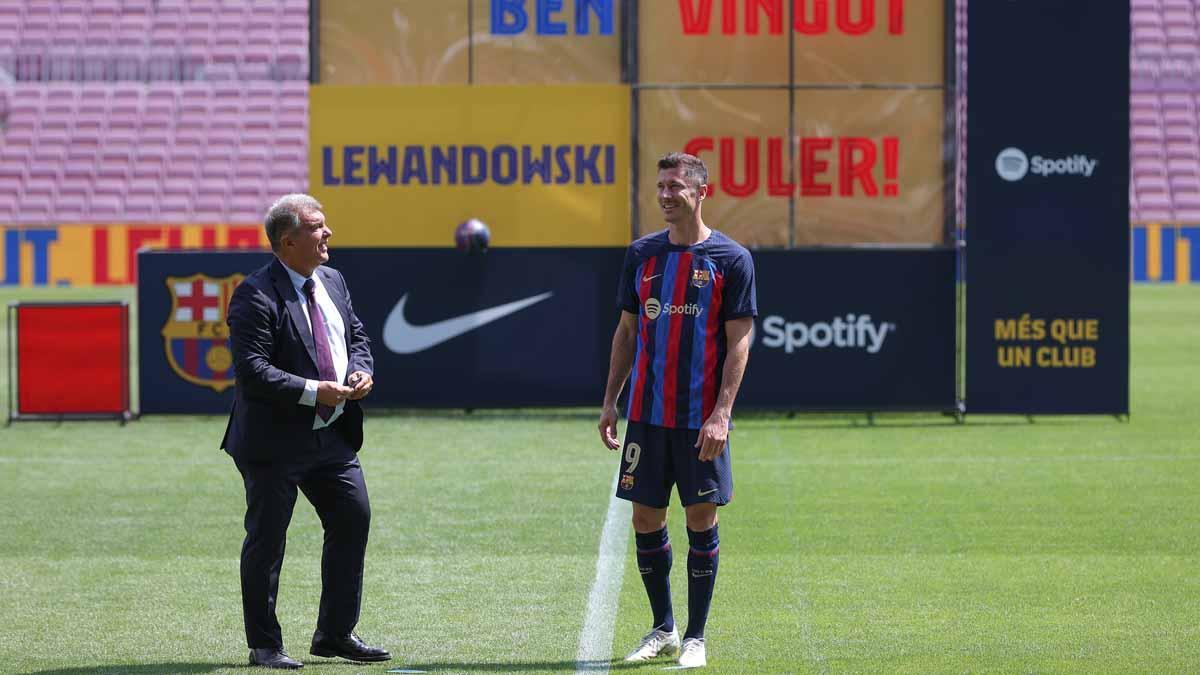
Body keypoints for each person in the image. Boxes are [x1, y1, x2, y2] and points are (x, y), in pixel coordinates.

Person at [598, 153, 757, 669]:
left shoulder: (731, 260)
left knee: (700, 515)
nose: (665, 195)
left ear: (701, 192)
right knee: (645, 517)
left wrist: (721, 414)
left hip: (699, 420)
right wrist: (610, 401)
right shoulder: (642, 255)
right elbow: (626, 333)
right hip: (647, 414)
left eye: (675, 187)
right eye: (660, 186)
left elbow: (739, 344)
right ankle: (663, 627)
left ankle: (695, 636)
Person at [221, 194, 391, 669]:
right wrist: (315, 390)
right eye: (317, 227)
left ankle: (335, 634)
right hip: (273, 443)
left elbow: (356, 336)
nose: (328, 234)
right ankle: (265, 646)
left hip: (332, 436)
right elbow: (251, 371)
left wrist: (360, 371)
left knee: (352, 518)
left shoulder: (333, 280)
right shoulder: (254, 294)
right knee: (268, 540)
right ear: (287, 241)